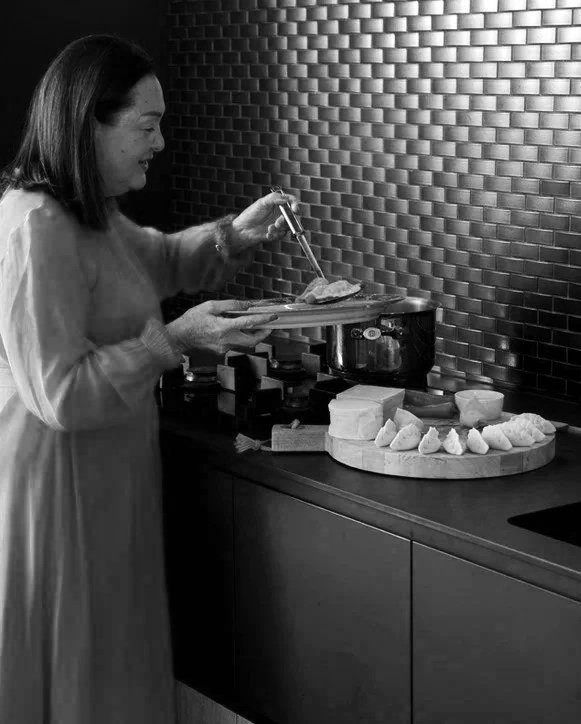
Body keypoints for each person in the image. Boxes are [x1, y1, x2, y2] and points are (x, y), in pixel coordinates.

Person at [0, 34, 298, 724]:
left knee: (112, 653)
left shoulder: (89, 211)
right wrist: (173, 341)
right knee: (82, 662)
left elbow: (158, 262)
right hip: (59, 485)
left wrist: (236, 235)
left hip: (104, 473)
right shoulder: (35, 225)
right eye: (147, 124)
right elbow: (59, 395)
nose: (160, 142)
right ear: (87, 123)